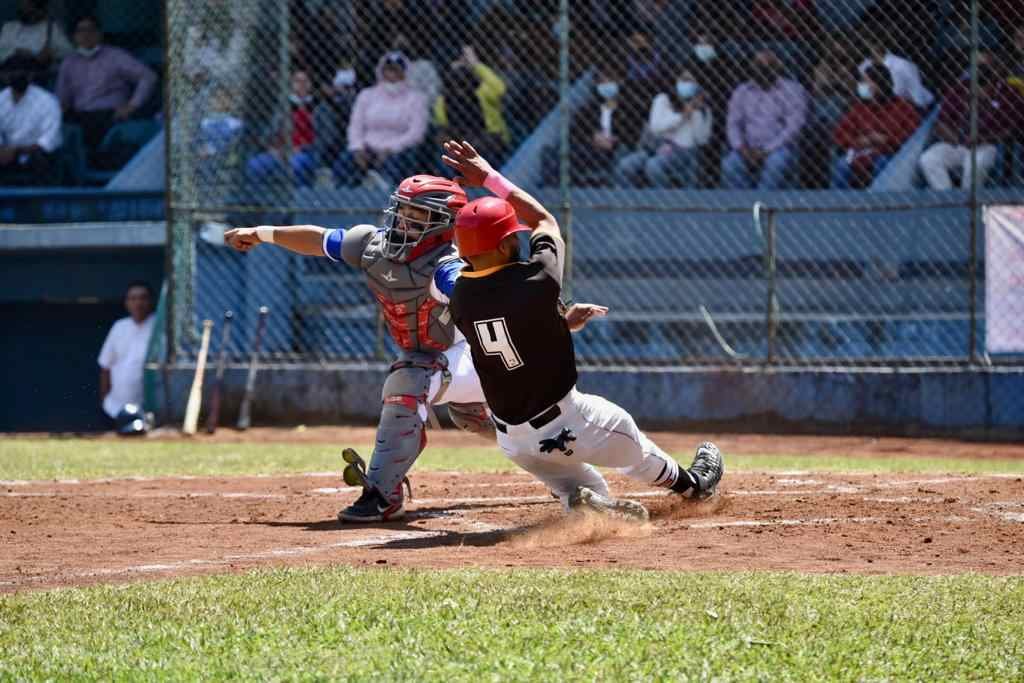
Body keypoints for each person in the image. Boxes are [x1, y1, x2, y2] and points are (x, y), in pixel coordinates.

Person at [442, 139, 724, 520]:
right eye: (511, 237)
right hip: (568, 422)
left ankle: (579, 501)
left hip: (513, 438)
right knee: (634, 449)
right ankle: (693, 486)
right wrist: (489, 177)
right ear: (507, 241)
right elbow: (544, 221)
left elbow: (508, 334)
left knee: (588, 489)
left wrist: (558, 324)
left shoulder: (461, 295)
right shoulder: (536, 279)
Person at [223, 175, 492, 523]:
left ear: (443, 226)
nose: (403, 220)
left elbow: (490, 301)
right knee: (490, 425)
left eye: (417, 215)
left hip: (478, 359)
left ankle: (382, 495)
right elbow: (318, 239)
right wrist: (261, 232)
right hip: (440, 365)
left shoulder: (446, 266)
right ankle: (564, 467)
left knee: (409, 378)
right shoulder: (373, 247)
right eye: (403, 210)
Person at [55, 15, 157, 160]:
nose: (86, 35)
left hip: (109, 115)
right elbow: (62, 99)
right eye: (80, 31)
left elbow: (148, 76)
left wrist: (132, 105)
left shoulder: (115, 56)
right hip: (80, 116)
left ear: (99, 34)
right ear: (74, 36)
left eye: (91, 30)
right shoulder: (69, 62)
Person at [919, 63, 1024, 190]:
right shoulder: (960, 89)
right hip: (958, 142)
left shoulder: (1009, 93)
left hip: (988, 145)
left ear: (994, 82)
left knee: (974, 164)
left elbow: (1014, 130)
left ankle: (968, 203)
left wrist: (984, 138)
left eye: (984, 87)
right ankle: (948, 199)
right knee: (928, 159)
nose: (979, 92)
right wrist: (959, 140)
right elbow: (940, 124)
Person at [333, 51, 427, 188]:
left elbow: (416, 133)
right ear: (381, 72)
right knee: (344, 162)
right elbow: (355, 126)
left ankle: (387, 194)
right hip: (368, 148)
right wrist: (358, 148)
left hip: (397, 149)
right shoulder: (366, 95)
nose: (392, 75)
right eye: (388, 70)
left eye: (397, 70)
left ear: (405, 73)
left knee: (397, 163)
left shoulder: (416, 98)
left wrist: (390, 148)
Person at [541, 64, 644, 187]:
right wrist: (592, 137)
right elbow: (575, 131)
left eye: (610, 80)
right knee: (553, 151)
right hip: (591, 148)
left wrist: (614, 141)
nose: (605, 84)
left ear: (619, 81)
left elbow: (634, 133)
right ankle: (555, 188)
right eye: (601, 81)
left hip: (614, 149)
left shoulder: (629, 108)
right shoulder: (591, 108)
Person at [721, 49, 807, 190]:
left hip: (779, 148)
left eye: (769, 64)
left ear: (778, 66)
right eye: (758, 64)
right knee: (729, 165)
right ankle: (744, 205)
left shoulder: (793, 89)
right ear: (752, 66)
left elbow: (794, 127)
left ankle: (762, 204)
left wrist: (766, 151)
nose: (763, 68)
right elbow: (733, 124)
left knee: (777, 164)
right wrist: (741, 148)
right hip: (747, 147)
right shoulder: (742, 91)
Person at [616, 65, 713, 188]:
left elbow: (701, 139)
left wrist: (698, 112)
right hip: (656, 146)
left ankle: (665, 199)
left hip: (683, 152)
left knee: (653, 166)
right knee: (625, 165)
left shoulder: (703, 108)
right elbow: (655, 127)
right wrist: (681, 117)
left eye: (691, 81)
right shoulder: (663, 99)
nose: (686, 84)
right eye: (683, 79)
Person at [831, 65, 920, 189]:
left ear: (879, 84)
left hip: (888, 154)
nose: (861, 85)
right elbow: (840, 133)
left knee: (882, 164)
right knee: (841, 165)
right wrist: (858, 141)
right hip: (860, 152)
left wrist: (887, 140)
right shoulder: (859, 107)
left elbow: (911, 136)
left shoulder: (903, 107)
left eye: (866, 81)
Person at [433, 46, 509, 164]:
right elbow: (443, 125)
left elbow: (500, 89)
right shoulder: (443, 101)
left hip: (494, 141)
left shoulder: (481, 91)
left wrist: (475, 64)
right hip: (467, 148)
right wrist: (475, 65)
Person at [245, 69, 318, 188]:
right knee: (255, 164)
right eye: (297, 81)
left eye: (305, 81)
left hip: (304, 152)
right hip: (279, 152)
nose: (301, 85)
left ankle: (298, 200)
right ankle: (259, 201)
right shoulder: (284, 106)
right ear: (292, 84)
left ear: (310, 84)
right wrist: (271, 148)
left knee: (295, 165)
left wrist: (301, 148)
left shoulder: (317, 107)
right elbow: (269, 133)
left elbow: (324, 138)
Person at [98, 281, 156, 429]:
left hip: (149, 409)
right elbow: (105, 365)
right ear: (126, 302)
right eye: (133, 298)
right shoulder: (119, 326)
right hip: (115, 408)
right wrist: (105, 399)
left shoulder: (159, 326)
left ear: (151, 301)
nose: (138, 303)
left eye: (143, 298)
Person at [0, 55, 62, 185]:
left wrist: (17, 150)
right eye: (11, 72)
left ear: (30, 75)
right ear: (4, 76)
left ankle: (41, 204)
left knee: (41, 160)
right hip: (6, 154)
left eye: (21, 72)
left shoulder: (47, 101)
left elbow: (49, 141)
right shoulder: (1, 99)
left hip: (38, 155)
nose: (16, 75)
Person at [858, 33, 934, 110]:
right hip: (925, 98)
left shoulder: (889, 64)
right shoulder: (892, 86)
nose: (868, 81)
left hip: (925, 88)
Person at [0, 0, 73, 77]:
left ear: (39, 9)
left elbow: (69, 53)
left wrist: (51, 54)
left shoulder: (51, 28)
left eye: (29, 6)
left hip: (38, 77)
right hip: (8, 75)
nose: (26, 9)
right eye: (23, 6)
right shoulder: (9, 27)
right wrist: (16, 52)